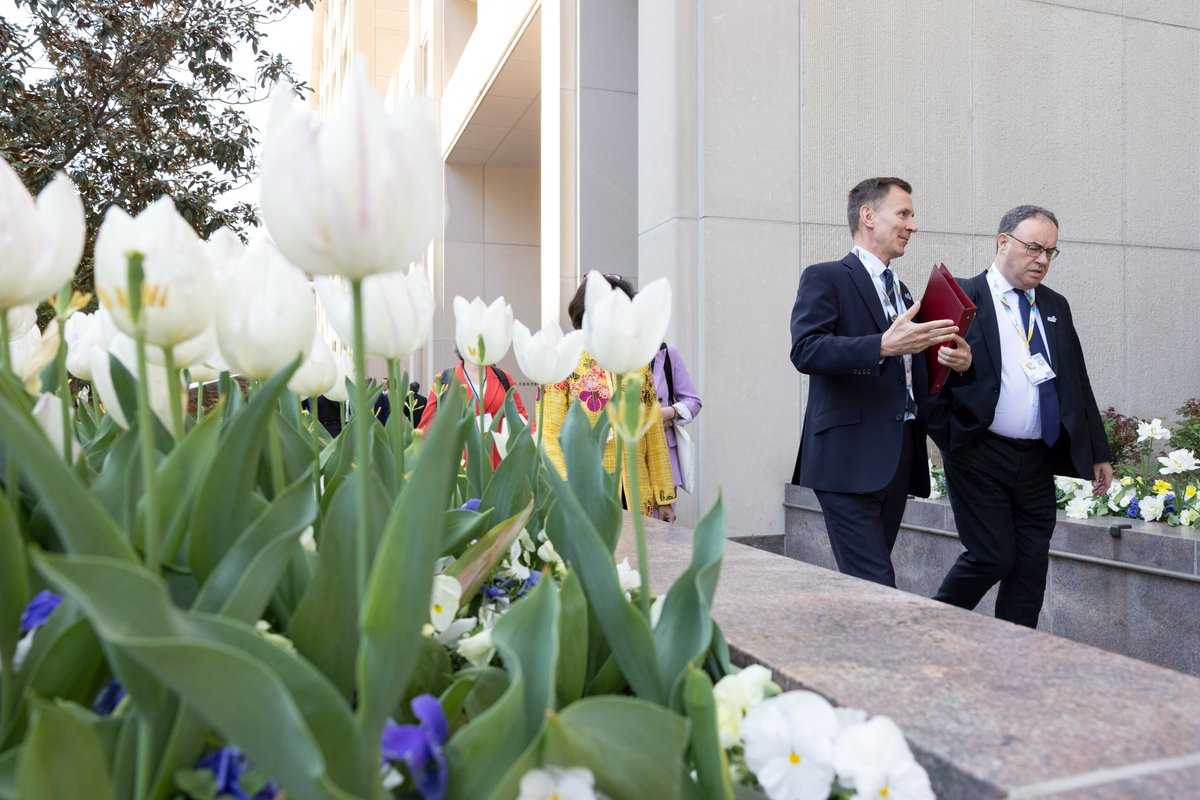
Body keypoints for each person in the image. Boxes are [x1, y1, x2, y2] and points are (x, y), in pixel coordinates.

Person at [927, 205, 1112, 627]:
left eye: (1051, 252)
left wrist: (1098, 451)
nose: (1042, 260)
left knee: (1030, 568)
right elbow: (930, 381)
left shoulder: (1055, 306)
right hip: (979, 453)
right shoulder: (960, 297)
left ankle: (1016, 662)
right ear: (1003, 242)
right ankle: (932, 625)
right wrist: (952, 440)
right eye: (1034, 248)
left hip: (1037, 458)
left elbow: (1076, 382)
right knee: (992, 556)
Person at [789, 177, 972, 586]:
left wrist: (955, 363)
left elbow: (915, 376)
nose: (913, 225)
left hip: (897, 456)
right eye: (903, 213)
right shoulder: (826, 277)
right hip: (845, 457)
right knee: (876, 583)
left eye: (912, 215)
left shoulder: (905, 294)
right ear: (868, 216)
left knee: (864, 584)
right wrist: (881, 345)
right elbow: (807, 350)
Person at [540, 274, 677, 521]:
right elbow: (548, 434)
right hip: (587, 491)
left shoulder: (637, 363)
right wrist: (567, 488)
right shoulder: (565, 358)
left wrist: (663, 497)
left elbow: (653, 429)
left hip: (636, 491)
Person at [417, 349, 527, 468]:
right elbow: (427, 426)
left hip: (499, 465)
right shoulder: (445, 379)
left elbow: (522, 419)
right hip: (459, 467)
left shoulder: (503, 378)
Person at [651, 341, 702, 519]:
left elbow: (693, 401)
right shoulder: (613, 355)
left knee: (658, 533)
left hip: (662, 460)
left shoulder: (667, 354)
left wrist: (670, 412)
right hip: (625, 458)